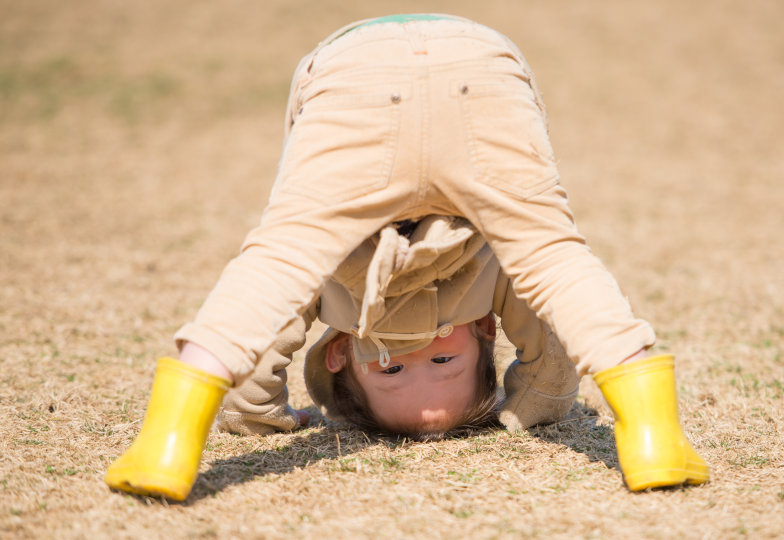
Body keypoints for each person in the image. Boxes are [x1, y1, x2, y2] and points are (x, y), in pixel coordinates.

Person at [104, 14, 709, 501]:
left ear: (340, 356)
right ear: (483, 330)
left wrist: (253, 415)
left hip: (374, 73)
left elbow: (265, 334)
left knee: (280, 262)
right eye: (444, 359)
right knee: (551, 255)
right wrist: (533, 408)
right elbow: (551, 352)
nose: (417, 359)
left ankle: (170, 439)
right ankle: (651, 435)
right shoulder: (489, 280)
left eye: (392, 369)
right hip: (466, 66)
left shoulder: (357, 289)